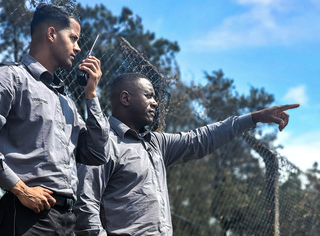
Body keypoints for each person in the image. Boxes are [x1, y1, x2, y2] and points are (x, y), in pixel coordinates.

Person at [74, 72, 300, 235]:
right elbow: (86, 205)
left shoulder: (156, 144)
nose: (155, 102)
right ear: (125, 99)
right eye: (149, 95)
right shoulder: (102, 144)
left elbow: (202, 139)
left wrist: (255, 117)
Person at [0, 3, 110, 236]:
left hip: (67, 221)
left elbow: (97, 153)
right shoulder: (10, 77)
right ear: (52, 34)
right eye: (73, 38)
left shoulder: (67, 102)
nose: (77, 48)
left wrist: (91, 95)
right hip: (26, 217)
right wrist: (20, 189)